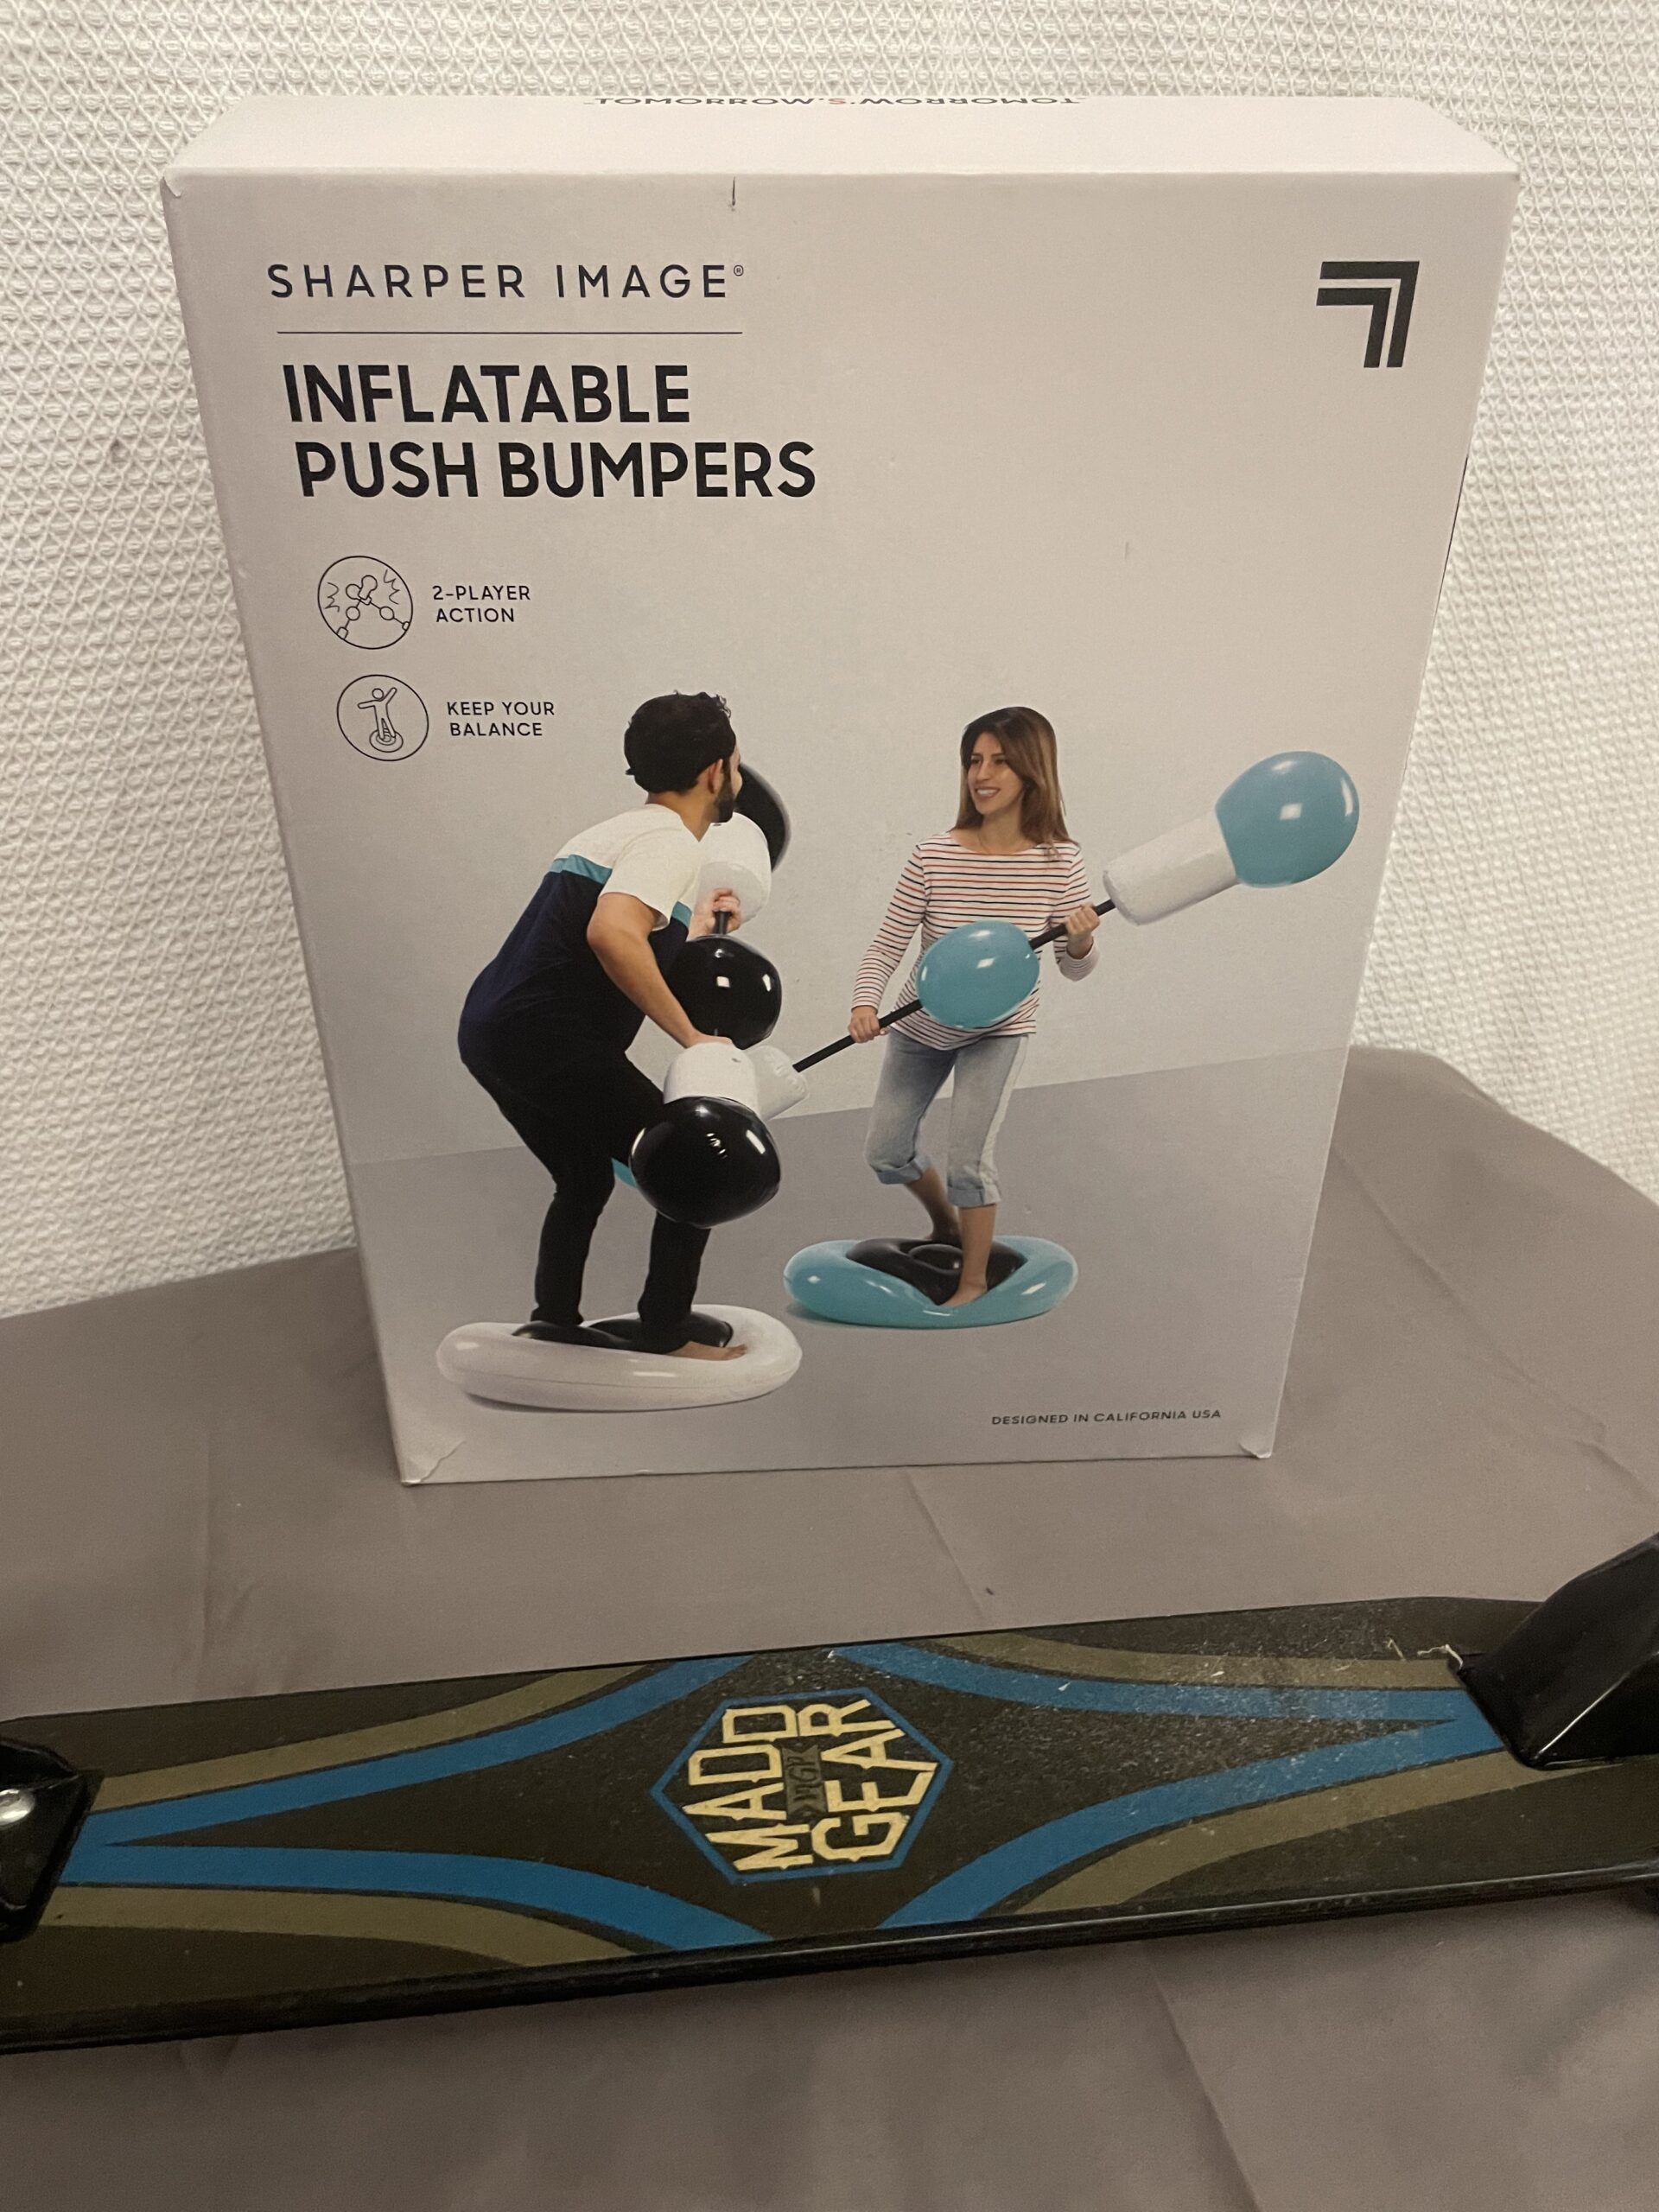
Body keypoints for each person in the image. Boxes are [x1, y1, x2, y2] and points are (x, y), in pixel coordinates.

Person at [459, 692, 749, 1361]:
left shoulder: (618, 833)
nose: (737, 777)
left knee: (584, 1175)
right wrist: (692, 1036)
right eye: (736, 765)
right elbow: (612, 933)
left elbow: (611, 933)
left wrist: (698, 925)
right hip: (546, 1038)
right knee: (692, 1164)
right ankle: (665, 1333)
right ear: (715, 772)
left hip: (491, 1030)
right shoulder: (671, 844)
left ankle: (554, 1320)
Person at [848, 707, 1100, 1306]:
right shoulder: (933, 856)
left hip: (998, 1031)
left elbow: (1074, 967)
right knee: (885, 1152)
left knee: (969, 1162)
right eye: (974, 761)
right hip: (921, 1024)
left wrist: (1081, 940)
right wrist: (865, 1002)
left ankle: (973, 1280)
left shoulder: (1059, 861)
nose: (982, 775)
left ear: (1033, 771)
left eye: (1000, 762)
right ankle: (945, 1226)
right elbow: (887, 945)